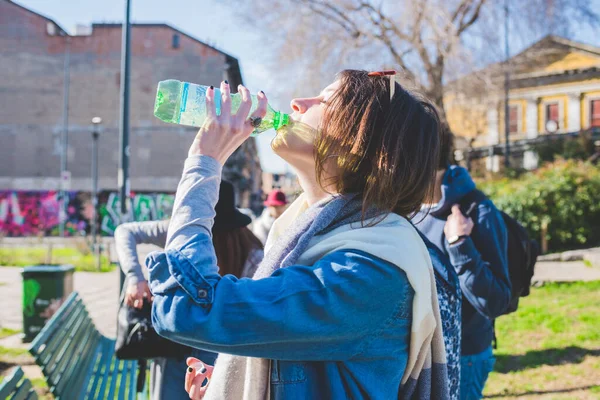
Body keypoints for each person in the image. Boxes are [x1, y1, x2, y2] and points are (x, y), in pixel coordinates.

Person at [148, 71, 449, 400]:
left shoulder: (370, 273)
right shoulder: (305, 238)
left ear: (365, 141)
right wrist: (233, 380)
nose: (297, 103)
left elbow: (185, 307)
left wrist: (204, 164)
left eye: (325, 100)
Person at [114, 180, 263, 400]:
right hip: (185, 344)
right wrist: (135, 277)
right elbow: (124, 231)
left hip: (208, 346)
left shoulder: (252, 255)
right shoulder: (184, 233)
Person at [414, 131, 511, 400]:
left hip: (466, 355)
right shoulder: (404, 208)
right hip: (420, 358)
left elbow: (496, 301)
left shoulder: (478, 210)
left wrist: (460, 245)